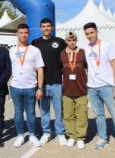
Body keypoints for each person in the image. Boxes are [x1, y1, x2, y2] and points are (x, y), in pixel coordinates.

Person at [83, 22, 115, 152]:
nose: (90, 35)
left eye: (91, 32)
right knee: (99, 115)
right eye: (87, 34)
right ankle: (103, 137)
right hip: (92, 87)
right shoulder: (85, 48)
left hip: (107, 86)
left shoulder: (107, 46)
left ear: (96, 31)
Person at [32, 18, 67, 146]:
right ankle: (46, 132)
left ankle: (60, 133)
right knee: (44, 110)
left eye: (48, 26)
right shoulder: (35, 43)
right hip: (42, 84)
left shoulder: (59, 42)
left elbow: (66, 59)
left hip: (57, 82)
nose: (46, 28)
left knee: (59, 110)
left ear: (52, 27)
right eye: (44, 26)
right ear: (40, 28)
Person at [9, 24, 44, 148]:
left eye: (26, 32)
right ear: (17, 34)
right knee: (18, 113)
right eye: (21, 32)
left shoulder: (35, 50)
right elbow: (8, 69)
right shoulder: (12, 50)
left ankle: (32, 135)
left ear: (28, 34)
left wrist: (40, 88)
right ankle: (20, 136)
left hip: (31, 87)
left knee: (30, 113)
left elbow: (40, 69)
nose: (24, 35)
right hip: (15, 87)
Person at [60, 31, 88, 149]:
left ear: (76, 40)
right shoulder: (62, 53)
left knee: (82, 115)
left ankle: (80, 137)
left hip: (81, 89)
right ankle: (71, 136)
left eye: (73, 40)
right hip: (67, 90)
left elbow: (88, 68)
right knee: (68, 115)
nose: (71, 42)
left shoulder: (82, 52)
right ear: (66, 41)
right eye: (69, 40)